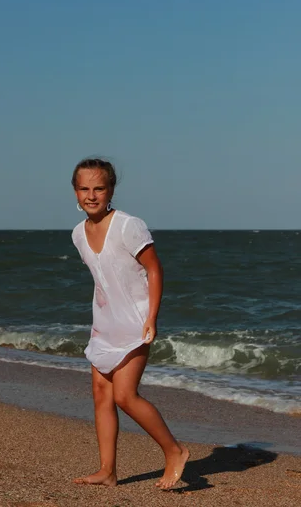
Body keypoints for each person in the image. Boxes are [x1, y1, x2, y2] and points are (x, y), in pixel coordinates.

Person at [71, 157, 189, 490]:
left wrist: (151, 317)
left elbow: (154, 269)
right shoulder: (78, 234)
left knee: (125, 395)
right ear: (75, 192)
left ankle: (175, 450)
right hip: (104, 323)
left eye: (99, 188)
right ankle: (107, 471)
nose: (91, 195)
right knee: (101, 395)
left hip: (135, 322)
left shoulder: (128, 226)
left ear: (110, 191)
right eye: (84, 188)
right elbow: (104, 279)